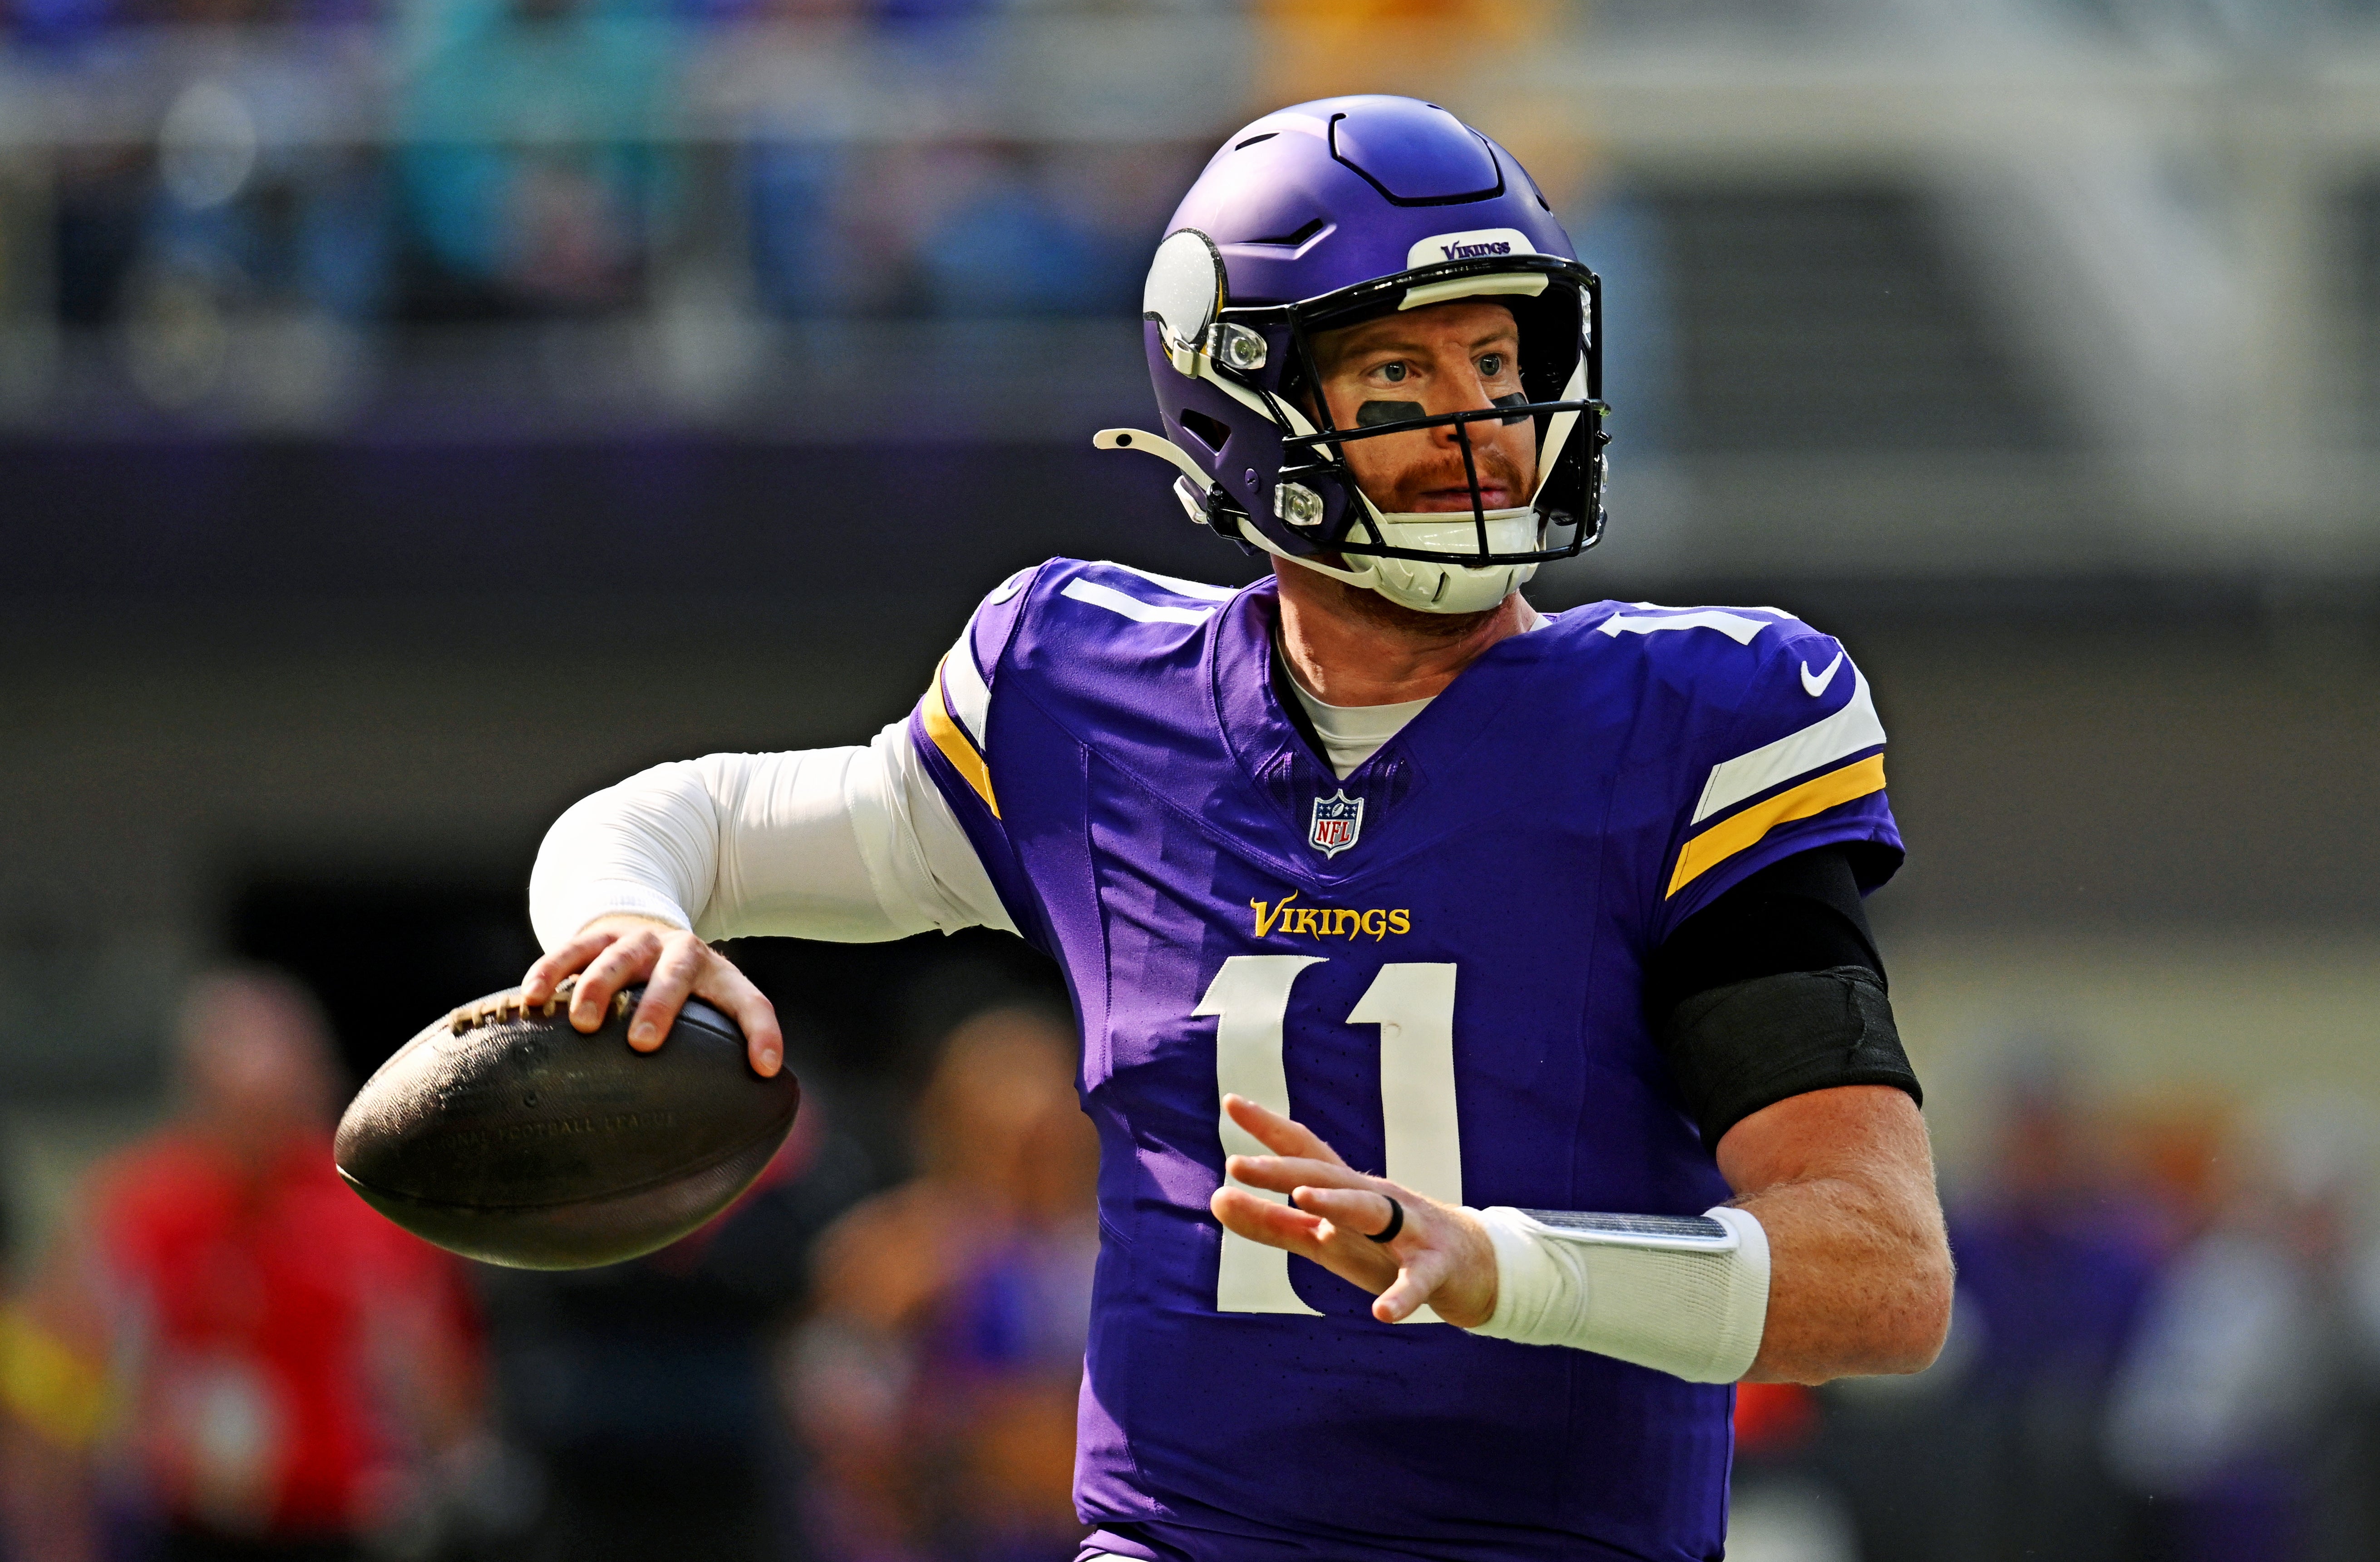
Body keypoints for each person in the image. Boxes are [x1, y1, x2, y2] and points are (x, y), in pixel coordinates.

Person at [519, 95, 1952, 1560]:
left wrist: (1500, 1264)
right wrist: (624, 920)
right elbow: (684, 820)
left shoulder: (1695, 722)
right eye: (1399, 372)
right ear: (1243, 399)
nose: (1480, 426)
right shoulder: (1085, 693)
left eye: (1496, 361)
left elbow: (1882, 1274)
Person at [4, 967, 482, 1562]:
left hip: (340, 1523)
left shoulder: (373, 1211)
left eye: (276, 1108)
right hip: (180, 1525)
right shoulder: (137, 1207)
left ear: (316, 1087)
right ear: (197, 1096)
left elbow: (442, 1384)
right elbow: (55, 1379)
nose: (259, 1140)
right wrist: (57, 1527)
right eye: (237, 1108)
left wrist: (442, 1481)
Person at [790, 1006, 1098, 1561]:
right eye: (997, 1143)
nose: (1027, 1171)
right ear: (947, 1129)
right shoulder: (886, 1253)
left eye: (1048, 1144)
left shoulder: (1125, 1258)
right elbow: (839, 1437)